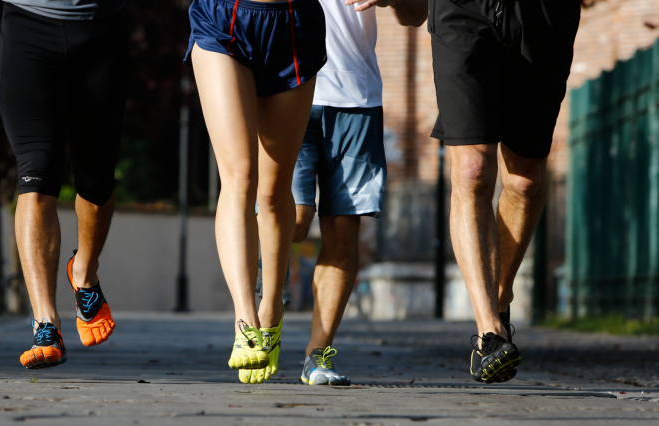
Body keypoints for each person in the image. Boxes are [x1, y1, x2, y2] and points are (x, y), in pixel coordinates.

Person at [429, 0, 581, 383]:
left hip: (543, 13)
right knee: (472, 169)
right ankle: (490, 332)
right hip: (461, 9)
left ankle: (499, 298)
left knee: (525, 181)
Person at [186, 0, 328, 384]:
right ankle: (246, 321)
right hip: (224, 20)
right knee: (240, 174)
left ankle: (271, 311)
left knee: (272, 191)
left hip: (293, 26)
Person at [288, 0, 427, 386]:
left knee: (344, 229)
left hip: (357, 98)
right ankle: (265, 295)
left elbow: (417, 14)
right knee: (295, 219)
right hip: (290, 86)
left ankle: (317, 355)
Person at [0, 0, 127, 370]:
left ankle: (83, 272)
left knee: (96, 178)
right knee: (36, 173)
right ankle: (45, 324)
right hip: (28, 26)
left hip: (101, 28)